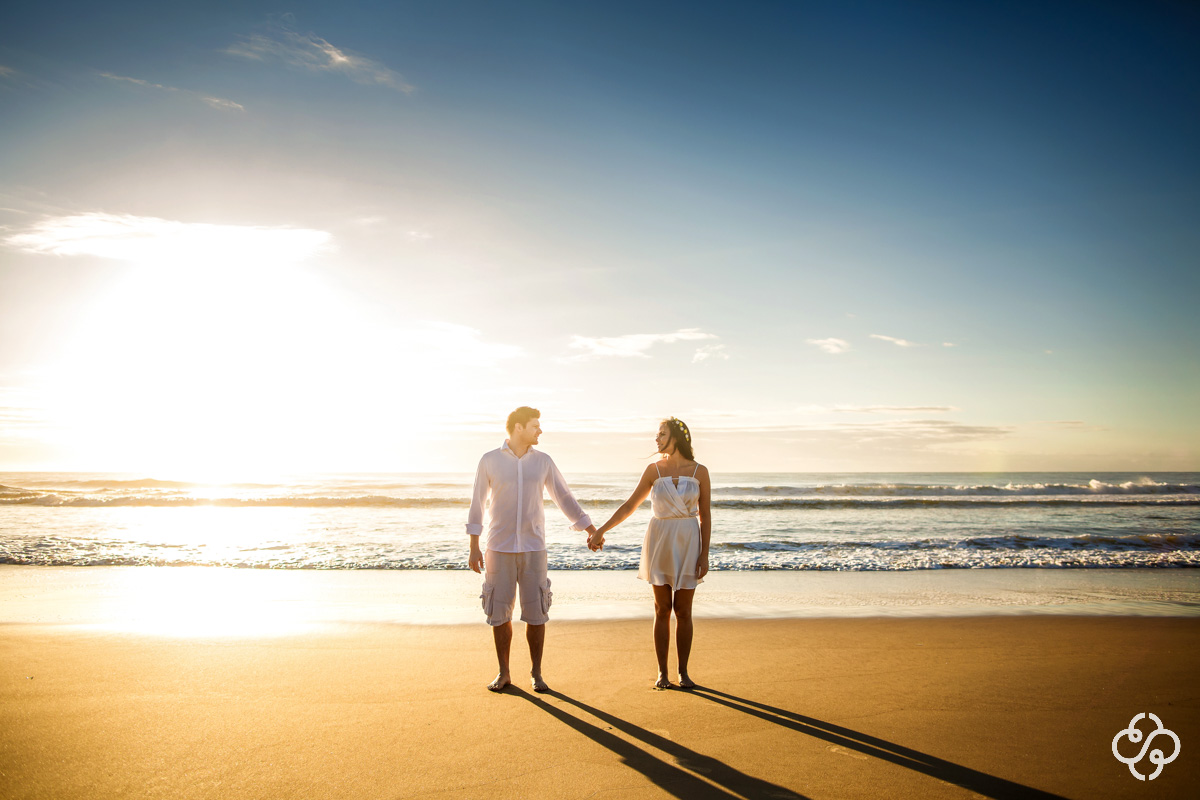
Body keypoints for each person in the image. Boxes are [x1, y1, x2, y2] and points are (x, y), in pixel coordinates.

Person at [467, 406, 600, 693]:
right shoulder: (489, 460)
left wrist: (590, 529)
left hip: (534, 548)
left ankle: (536, 673)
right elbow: (477, 503)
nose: (540, 430)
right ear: (519, 427)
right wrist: (474, 546)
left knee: (536, 613)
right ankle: (504, 673)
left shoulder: (543, 462)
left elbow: (564, 497)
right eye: (535, 426)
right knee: (499, 614)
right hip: (498, 548)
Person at [590, 417, 711, 689]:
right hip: (660, 541)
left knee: (684, 610)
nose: (656, 439)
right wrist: (601, 530)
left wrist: (704, 554)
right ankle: (662, 672)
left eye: (662, 434)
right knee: (662, 608)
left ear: (676, 437)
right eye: (657, 434)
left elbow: (705, 515)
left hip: (688, 541)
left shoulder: (700, 471)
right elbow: (629, 506)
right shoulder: (653, 470)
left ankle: (683, 672)